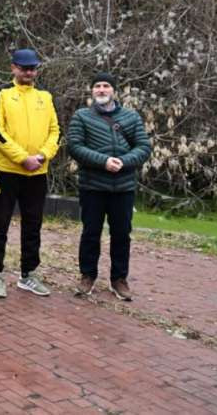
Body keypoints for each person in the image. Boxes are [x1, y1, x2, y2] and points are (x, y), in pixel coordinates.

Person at [67, 72, 152, 301]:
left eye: (106, 86)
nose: (102, 90)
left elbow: (143, 147)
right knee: (91, 233)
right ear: (92, 91)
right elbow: (75, 147)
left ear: (114, 90)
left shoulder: (131, 117)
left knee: (122, 234)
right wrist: (103, 161)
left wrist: (124, 161)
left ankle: (119, 279)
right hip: (93, 186)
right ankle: (87, 276)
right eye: (97, 86)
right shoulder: (82, 116)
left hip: (123, 187)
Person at [0, 48, 61, 299]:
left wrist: (42, 156)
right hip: (6, 171)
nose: (29, 72)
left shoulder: (45, 97)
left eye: (32, 68)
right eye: (24, 68)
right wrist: (21, 158)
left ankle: (28, 273)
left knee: (33, 224)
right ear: (13, 68)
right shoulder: (0, 94)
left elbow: (55, 131)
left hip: (37, 172)